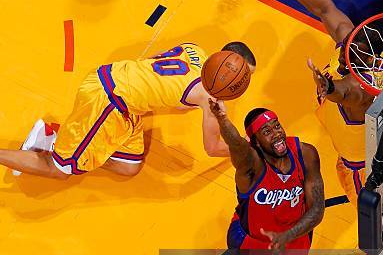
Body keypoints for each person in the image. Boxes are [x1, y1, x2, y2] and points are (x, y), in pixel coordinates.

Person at [249, 0, 383, 255]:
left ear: (366, 57)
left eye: (352, 48)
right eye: (347, 43)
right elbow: (324, 7)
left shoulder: (359, 92)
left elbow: (344, 94)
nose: (343, 49)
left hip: (362, 166)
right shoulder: (356, 50)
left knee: (374, 217)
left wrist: (327, 87)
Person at [0, 42, 256, 179]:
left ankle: (65, 142)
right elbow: (212, 148)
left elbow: (153, 60)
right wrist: (247, 148)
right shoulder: (211, 100)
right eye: (243, 76)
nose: (243, 81)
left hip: (115, 82)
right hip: (108, 101)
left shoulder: (194, 49)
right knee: (60, 169)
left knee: (127, 167)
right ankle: (55, 149)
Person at [209, 101, 325, 255]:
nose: (277, 134)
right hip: (251, 238)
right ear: (256, 142)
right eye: (267, 131)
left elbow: (317, 209)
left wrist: (288, 236)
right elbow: (237, 145)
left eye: (277, 126)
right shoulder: (250, 166)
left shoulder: (306, 153)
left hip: (295, 235)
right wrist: (222, 119)